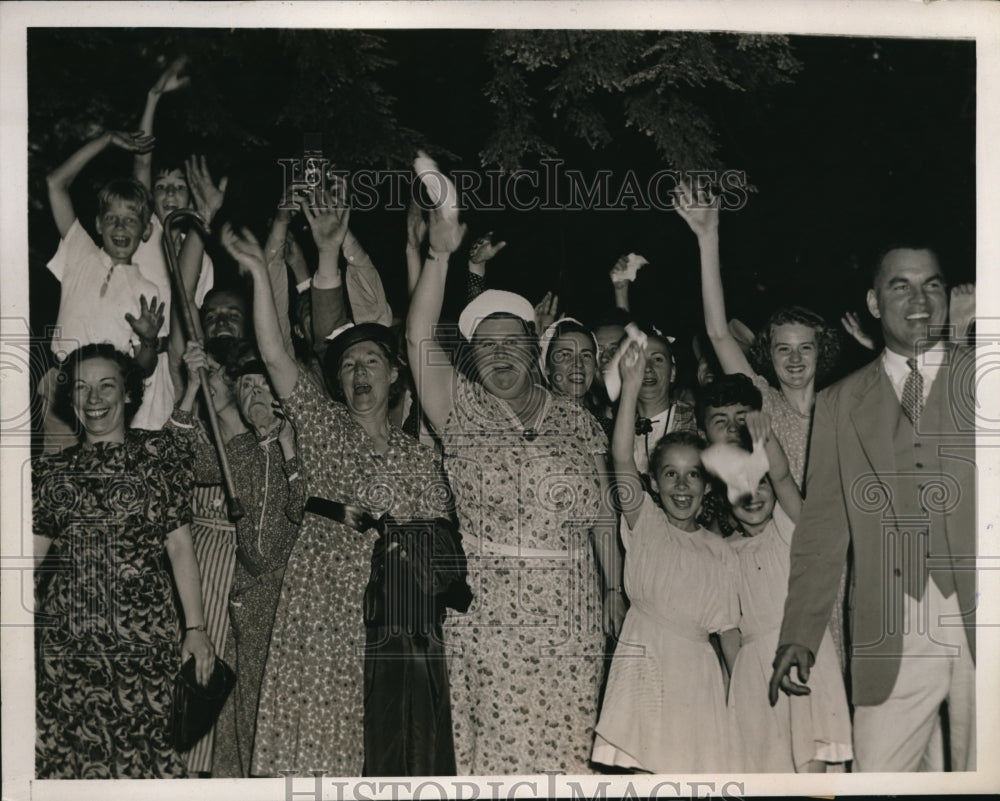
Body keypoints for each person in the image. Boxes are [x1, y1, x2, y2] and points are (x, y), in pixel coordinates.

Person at [221, 218, 462, 777]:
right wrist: (260, 272)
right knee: (318, 726)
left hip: (390, 612)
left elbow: (441, 540)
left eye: (371, 361)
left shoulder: (420, 456)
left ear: (395, 374)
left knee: (378, 734)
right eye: (348, 365)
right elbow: (278, 357)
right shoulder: (323, 423)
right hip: (322, 597)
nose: (358, 372)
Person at [406, 202, 623, 775]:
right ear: (472, 357)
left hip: (572, 609)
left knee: (567, 748)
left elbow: (602, 516)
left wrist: (613, 590)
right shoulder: (460, 409)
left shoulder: (577, 421)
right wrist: (437, 256)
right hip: (489, 613)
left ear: (533, 349)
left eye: (512, 342)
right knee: (494, 752)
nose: (500, 353)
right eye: (486, 344)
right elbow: (416, 339)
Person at [770, 244, 976, 772]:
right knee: (878, 774)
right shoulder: (839, 402)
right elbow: (821, 531)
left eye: (932, 284)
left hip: (982, 617)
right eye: (899, 286)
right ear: (873, 302)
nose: (919, 299)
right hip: (891, 622)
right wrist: (800, 633)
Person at [33, 344, 214, 778]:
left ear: (128, 394)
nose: (94, 398)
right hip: (70, 641)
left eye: (106, 386)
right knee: (73, 759)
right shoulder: (50, 473)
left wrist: (196, 629)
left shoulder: (157, 458)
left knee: (144, 757)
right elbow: (32, 561)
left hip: (144, 638)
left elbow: (180, 546)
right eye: (81, 387)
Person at [592, 341, 739, 773]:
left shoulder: (719, 551)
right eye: (670, 474)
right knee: (643, 772)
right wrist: (631, 389)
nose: (681, 485)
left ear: (708, 486)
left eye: (693, 475)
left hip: (697, 677)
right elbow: (620, 456)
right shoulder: (646, 524)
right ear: (653, 484)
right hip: (644, 665)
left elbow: (728, 633)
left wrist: (737, 692)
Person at [168, 341, 305, 777]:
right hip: (246, 599)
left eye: (263, 385)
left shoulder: (305, 443)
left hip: (293, 599)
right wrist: (191, 389)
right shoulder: (239, 452)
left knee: (285, 710)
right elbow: (177, 458)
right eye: (244, 386)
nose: (254, 394)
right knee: (243, 708)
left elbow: (305, 508)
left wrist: (286, 447)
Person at [722, 412, 852, 772]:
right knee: (767, 767)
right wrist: (743, 688)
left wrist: (767, 441)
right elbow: (728, 631)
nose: (752, 494)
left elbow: (781, 476)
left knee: (811, 762)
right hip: (752, 670)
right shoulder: (723, 554)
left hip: (802, 650)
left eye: (758, 483)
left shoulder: (789, 529)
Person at [38, 130, 166, 453]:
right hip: (63, 384)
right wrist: (107, 139)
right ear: (97, 224)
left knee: (103, 478)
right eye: (111, 219)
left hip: (107, 396)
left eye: (131, 220)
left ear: (146, 229)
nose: (120, 228)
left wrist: (149, 339)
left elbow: (144, 367)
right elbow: (55, 182)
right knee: (58, 479)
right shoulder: (79, 250)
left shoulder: (147, 290)